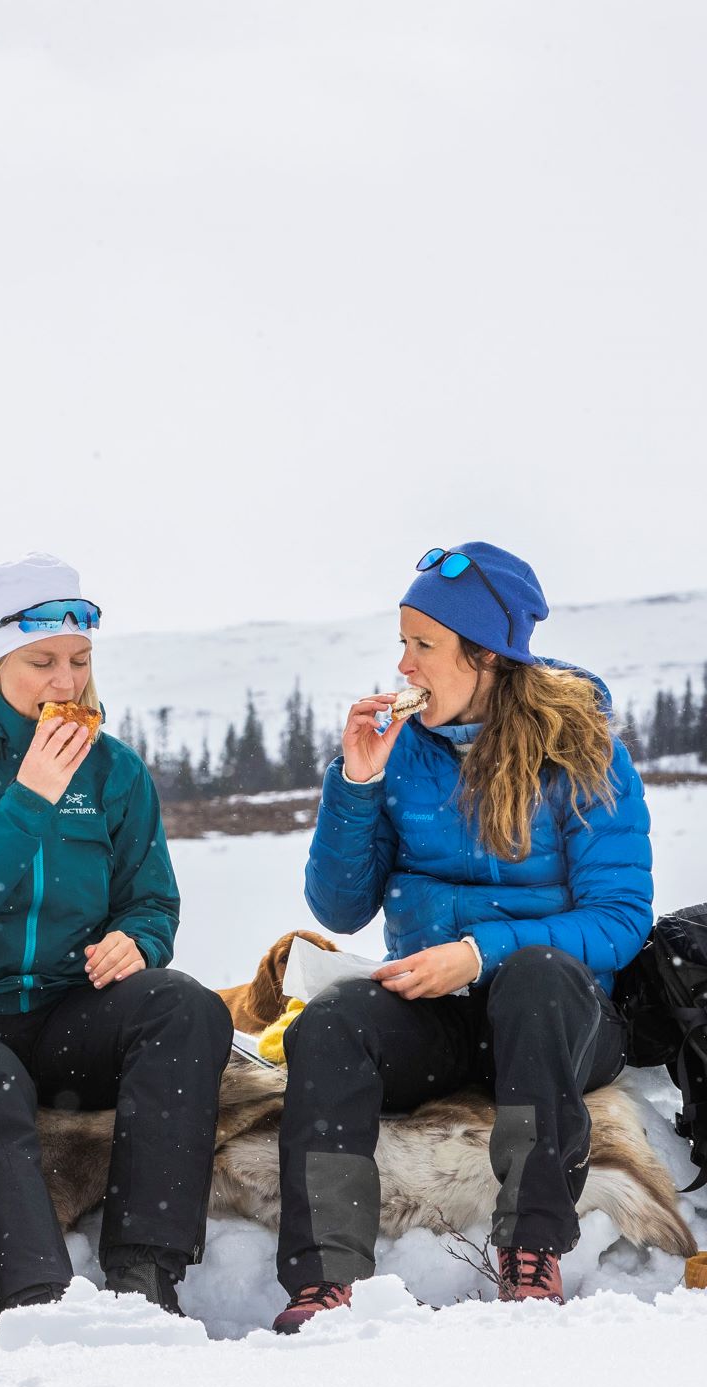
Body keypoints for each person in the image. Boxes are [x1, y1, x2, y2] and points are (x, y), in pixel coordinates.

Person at [271, 542, 653, 1331]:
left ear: (486, 657)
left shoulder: (583, 752)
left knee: (536, 977)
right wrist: (357, 782)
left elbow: (620, 919)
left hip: (560, 1019)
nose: (403, 665)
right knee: (331, 1025)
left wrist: (480, 955)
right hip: (437, 1016)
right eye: (402, 642)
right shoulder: (401, 751)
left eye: (424, 645)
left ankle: (532, 1248)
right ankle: (324, 1277)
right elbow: (341, 908)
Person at [0, 553, 233, 1316]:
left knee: (187, 1009)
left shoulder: (114, 771)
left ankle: (146, 1278)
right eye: (42, 662)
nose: (66, 682)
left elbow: (151, 901)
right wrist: (30, 797)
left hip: (66, 1012)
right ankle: (39, 1302)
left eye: (79, 660)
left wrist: (138, 941)